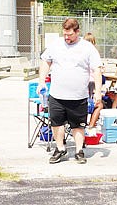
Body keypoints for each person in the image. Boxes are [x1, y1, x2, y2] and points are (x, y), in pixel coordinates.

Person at [38, 18, 102, 164]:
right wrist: (41, 81)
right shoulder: (55, 45)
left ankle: (79, 150)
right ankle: (60, 149)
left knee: (78, 125)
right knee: (56, 123)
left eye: (70, 35)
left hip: (78, 96)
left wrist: (98, 91)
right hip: (57, 94)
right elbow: (46, 62)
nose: (67, 38)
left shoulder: (87, 47)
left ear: (77, 32)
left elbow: (96, 69)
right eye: (65, 35)